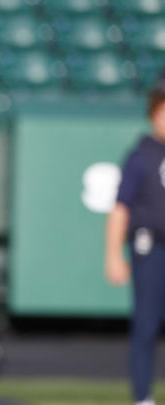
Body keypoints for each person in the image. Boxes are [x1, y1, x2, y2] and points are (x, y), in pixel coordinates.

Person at [105, 83, 165, 405]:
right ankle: (143, 397)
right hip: (150, 248)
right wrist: (113, 254)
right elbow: (120, 208)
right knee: (146, 325)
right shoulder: (141, 156)